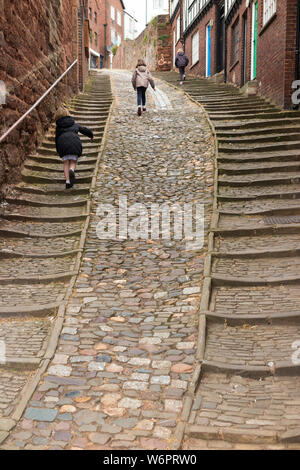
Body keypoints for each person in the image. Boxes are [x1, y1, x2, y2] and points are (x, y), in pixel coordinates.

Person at [55, 107, 94, 189]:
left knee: (66, 163)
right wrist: (90, 134)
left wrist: (58, 150)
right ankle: (72, 170)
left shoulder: (58, 127)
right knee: (73, 161)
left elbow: (56, 139)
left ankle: (68, 182)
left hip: (63, 145)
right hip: (74, 143)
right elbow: (83, 129)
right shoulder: (74, 124)